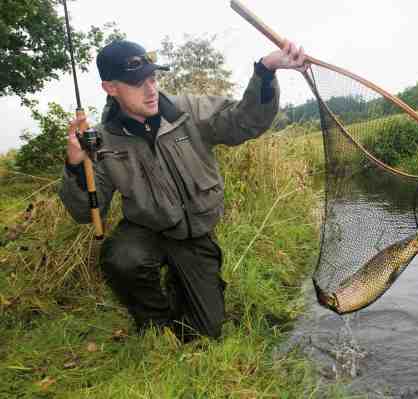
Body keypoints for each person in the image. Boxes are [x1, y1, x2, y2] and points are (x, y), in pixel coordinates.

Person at [59, 39, 306, 340]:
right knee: (122, 259)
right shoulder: (102, 142)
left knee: (207, 333)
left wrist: (266, 71)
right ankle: (154, 321)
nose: (150, 89)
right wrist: (75, 166)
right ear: (110, 88)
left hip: (193, 235)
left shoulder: (188, 110)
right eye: (137, 83)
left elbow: (245, 122)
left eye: (152, 78)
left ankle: (183, 285)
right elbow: (85, 213)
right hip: (146, 228)